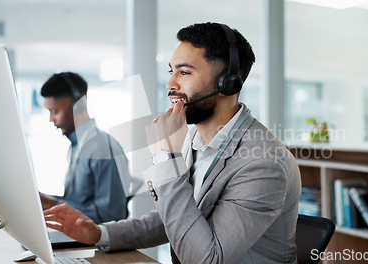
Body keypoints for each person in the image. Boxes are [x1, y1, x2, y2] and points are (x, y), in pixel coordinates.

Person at [44, 23, 301, 263]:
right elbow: (175, 217)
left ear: (227, 83)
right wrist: (99, 234)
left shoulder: (263, 162)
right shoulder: (194, 139)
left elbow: (207, 258)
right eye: (172, 71)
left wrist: (165, 157)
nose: (170, 84)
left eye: (184, 72)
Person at [39, 72, 130, 224]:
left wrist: (53, 205)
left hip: (96, 244)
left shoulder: (102, 148)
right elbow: (77, 202)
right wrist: (43, 200)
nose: (51, 120)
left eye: (55, 112)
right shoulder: (75, 147)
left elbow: (111, 216)